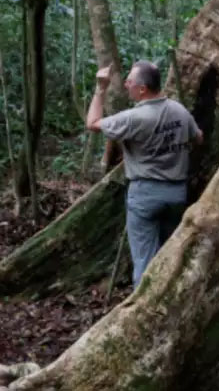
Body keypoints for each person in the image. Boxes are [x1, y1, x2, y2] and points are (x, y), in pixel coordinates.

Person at [86, 60, 203, 286]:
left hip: (146, 196)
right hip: (177, 195)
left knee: (145, 261)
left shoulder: (133, 118)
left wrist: (100, 89)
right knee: (172, 258)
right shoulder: (179, 110)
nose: (126, 83)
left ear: (142, 89)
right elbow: (198, 137)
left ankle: (143, 307)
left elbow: (92, 123)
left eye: (130, 80)